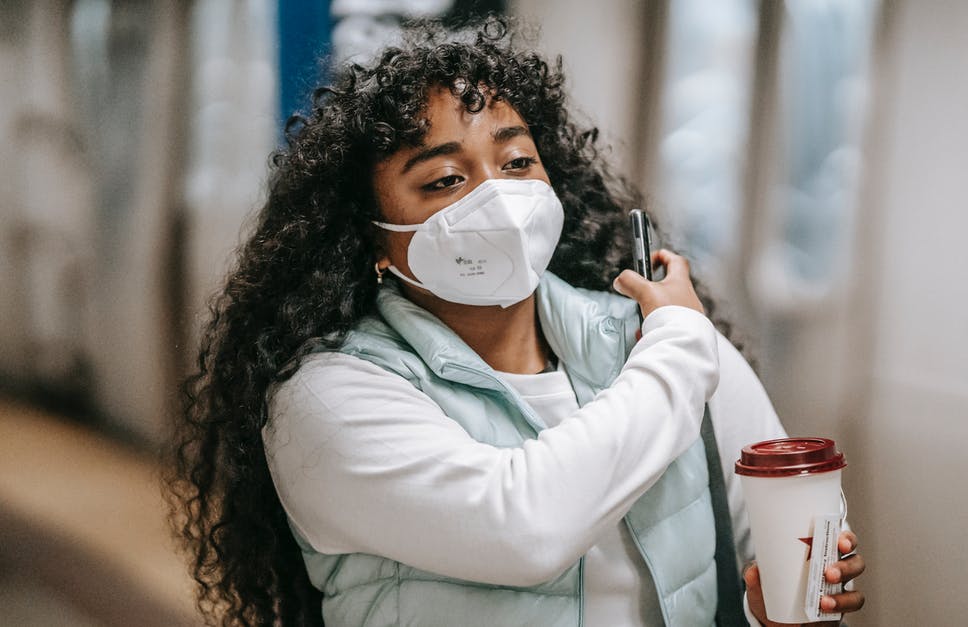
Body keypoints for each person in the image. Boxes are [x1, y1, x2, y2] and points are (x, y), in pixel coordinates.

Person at [167, 17, 865, 627]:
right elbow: (523, 525)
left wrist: (770, 610)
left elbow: (753, 563)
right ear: (371, 238)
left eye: (516, 161)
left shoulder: (656, 343)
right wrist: (681, 343)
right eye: (444, 180)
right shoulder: (325, 397)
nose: (497, 199)